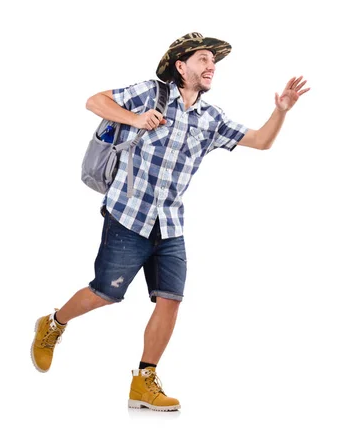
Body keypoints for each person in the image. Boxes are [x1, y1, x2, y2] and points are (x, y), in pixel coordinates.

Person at [31, 32, 309, 411]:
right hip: (128, 216)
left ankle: (144, 381)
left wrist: (282, 110)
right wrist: (135, 118)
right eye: (203, 59)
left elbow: (261, 141)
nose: (211, 66)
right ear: (181, 66)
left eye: (214, 62)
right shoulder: (151, 93)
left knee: (170, 300)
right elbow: (94, 101)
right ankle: (54, 324)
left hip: (171, 223)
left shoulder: (212, 118)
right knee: (104, 294)